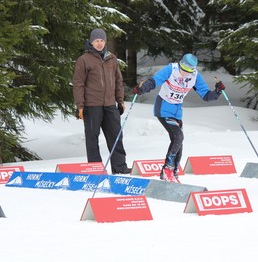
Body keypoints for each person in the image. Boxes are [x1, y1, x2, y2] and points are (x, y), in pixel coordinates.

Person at [132, 53, 225, 182]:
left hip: (177, 112)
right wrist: (142, 89)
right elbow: (154, 81)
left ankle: (174, 172)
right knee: (178, 136)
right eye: (184, 70)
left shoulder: (195, 76)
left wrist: (217, 91)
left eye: (189, 71)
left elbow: (206, 96)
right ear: (180, 65)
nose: (185, 74)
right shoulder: (171, 69)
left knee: (178, 142)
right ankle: (167, 169)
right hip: (163, 108)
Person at [72, 28, 131, 174]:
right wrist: (80, 106)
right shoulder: (84, 60)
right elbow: (78, 84)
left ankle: (120, 167)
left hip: (110, 104)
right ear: (91, 42)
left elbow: (118, 80)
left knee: (116, 136)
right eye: (97, 40)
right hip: (92, 106)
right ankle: (95, 169)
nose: (99, 43)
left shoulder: (112, 59)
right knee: (92, 138)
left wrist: (120, 100)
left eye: (102, 40)